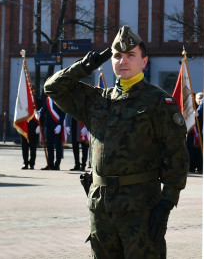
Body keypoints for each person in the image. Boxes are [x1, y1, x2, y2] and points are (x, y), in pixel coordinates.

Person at [45, 25, 188, 258]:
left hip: (140, 208)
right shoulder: (97, 100)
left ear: (144, 61)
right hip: (101, 208)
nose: (123, 61)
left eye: (131, 55)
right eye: (117, 56)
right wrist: (85, 65)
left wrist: (166, 204)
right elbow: (52, 88)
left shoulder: (158, 102)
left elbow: (176, 157)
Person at [37, 94, 64, 170]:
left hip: (57, 125)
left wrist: (60, 124)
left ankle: (57, 164)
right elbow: (44, 109)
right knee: (49, 146)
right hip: (49, 125)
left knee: (58, 146)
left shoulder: (59, 99)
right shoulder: (48, 99)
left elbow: (63, 113)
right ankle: (50, 164)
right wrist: (39, 113)